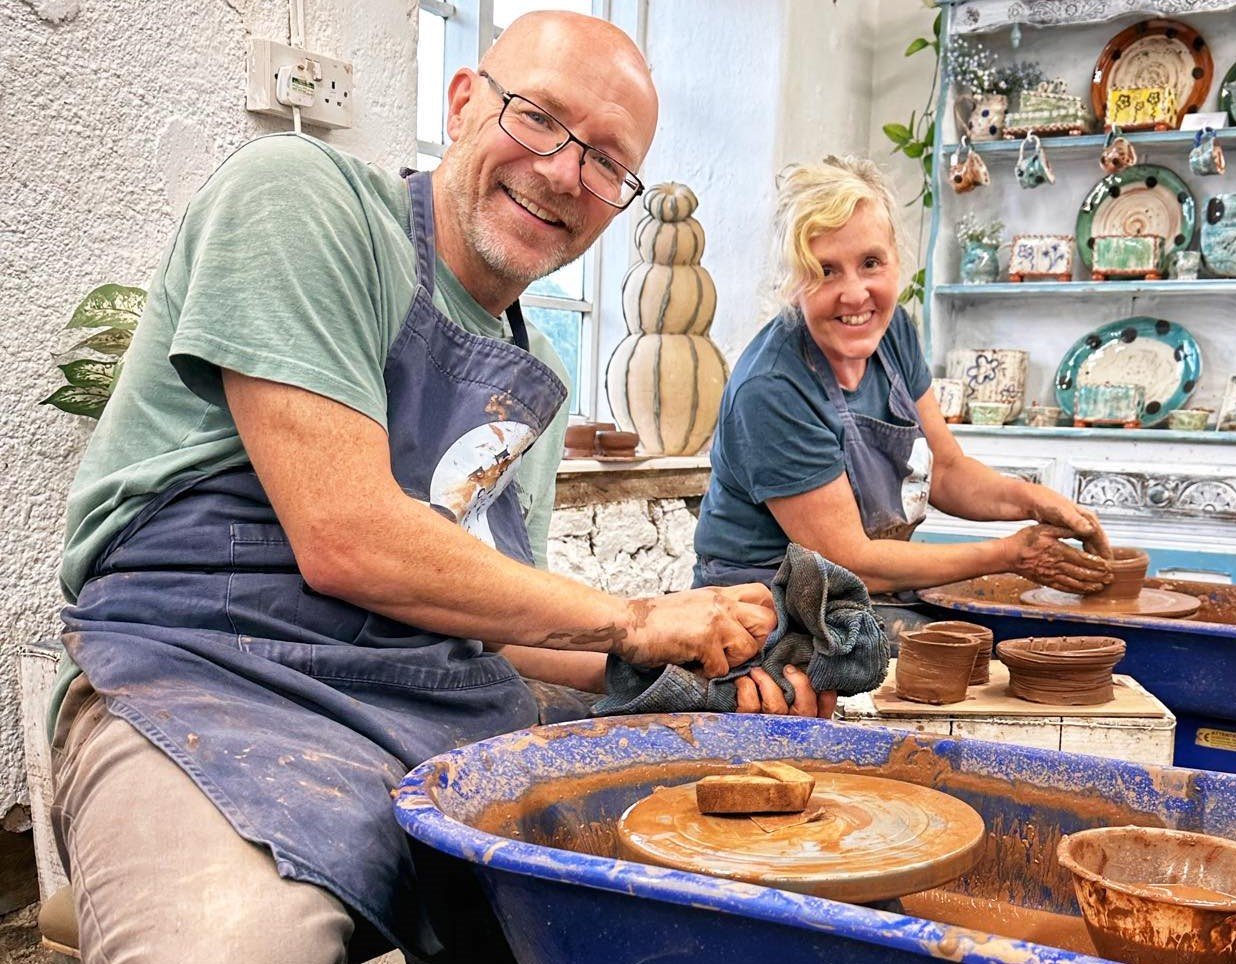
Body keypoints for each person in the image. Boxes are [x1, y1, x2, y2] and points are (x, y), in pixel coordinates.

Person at [49, 12, 817, 964]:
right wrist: (632, 619)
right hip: (207, 685)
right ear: (463, 104)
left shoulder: (528, 378)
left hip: (434, 703)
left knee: (687, 896)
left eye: (609, 165)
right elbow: (347, 535)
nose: (565, 173)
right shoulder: (302, 197)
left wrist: (691, 673)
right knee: (242, 946)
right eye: (539, 118)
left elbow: (501, 629)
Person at [693, 156, 1113, 632]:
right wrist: (1007, 555)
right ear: (794, 285)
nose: (855, 295)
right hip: (765, 609)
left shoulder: (891, 335)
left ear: (896, 263)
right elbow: (850, 561)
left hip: (860, 596)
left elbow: (946, 472)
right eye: (826, 270)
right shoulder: (772, 388)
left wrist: (1034, 499)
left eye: (870, 263)